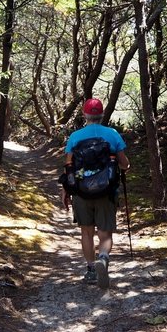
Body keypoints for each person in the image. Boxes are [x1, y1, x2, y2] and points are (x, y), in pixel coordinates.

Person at [62, 98, 130, 289]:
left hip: (82, 193)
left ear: (84, 115)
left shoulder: (75, 137)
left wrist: (66, 190)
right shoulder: (113, 134)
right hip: (106, 191)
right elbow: (124, 164)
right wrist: (124, 166)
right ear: (102, 115)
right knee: (105, 233)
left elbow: (69, 167)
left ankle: (91, 270)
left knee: (87, 231)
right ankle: (103, 258)